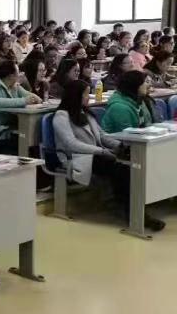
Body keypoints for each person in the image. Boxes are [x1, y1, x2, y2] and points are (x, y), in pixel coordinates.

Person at [51, 79, 165, 230]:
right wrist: (101, 150)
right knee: (122, 170)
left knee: (134, 162)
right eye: (86, 94)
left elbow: (102, 136)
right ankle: (135, 214)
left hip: (95, 155)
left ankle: (133, 206)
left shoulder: (85, 113)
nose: (89, 97)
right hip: (77, 158)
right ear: (76, 96)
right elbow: (71, 144)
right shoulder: (61, 116)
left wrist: (120, 146)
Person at [0, 62, 41, 153]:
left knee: (32, 139)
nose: (20, 75)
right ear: (11, 76)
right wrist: (24, 101)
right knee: (24, 140)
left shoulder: (13, 86)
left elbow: (30, 96)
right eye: (18, 73)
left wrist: (35, 98)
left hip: (7, 128)